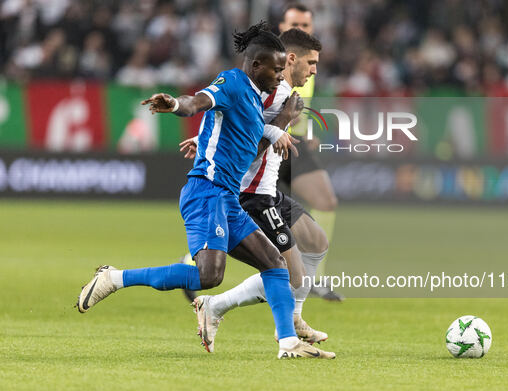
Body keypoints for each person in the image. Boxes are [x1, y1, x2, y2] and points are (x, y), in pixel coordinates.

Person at [76, 22, 334, 360]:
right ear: (256, 65)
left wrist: (273, 129)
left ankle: (288, 343)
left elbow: (239, 135)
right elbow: (199, 101)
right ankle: (114, 278)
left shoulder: (258, 101)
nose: (279, 74)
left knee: (274, 263)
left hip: (228, 199)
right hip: (207, 192)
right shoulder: (232, 82)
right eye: (275, 68)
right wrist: (175, 105)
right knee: (209, 276)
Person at [179, 28, 330, 353]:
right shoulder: (273, 93)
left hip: (268, 190)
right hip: (251, 193)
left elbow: (248, 123)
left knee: (317, 241)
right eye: (311, 63)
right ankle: (220, 308)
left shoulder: (284, 93)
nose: (315, 70)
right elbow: (246, 126)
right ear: (291, 59)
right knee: (289, 273)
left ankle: (294, 316)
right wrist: (280, 123)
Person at [278, 4, 342, 301]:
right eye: (296, 24)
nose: (301, 29)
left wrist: (310, 131)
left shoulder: (309, 64)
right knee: (248, 217)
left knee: (326, 201)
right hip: (268, 145)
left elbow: (304, 108)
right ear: (282, 27)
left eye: (306, 25)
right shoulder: (271, 63)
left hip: (295, 145)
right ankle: (193, 260)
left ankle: (314, 279)